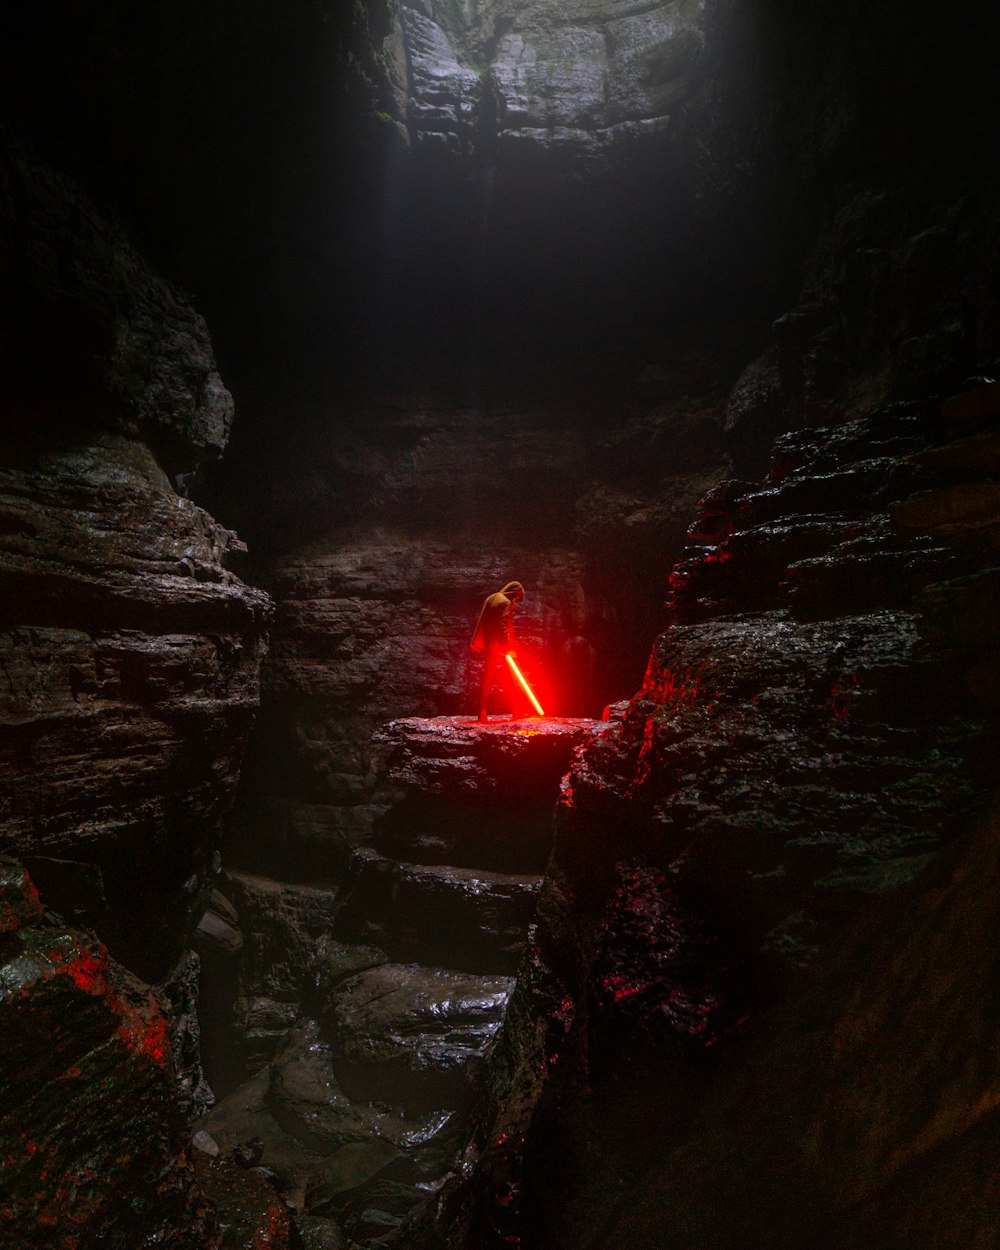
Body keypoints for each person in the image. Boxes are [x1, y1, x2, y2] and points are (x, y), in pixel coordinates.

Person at [470, 580, 524, 722]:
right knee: (509, 678)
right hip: (500, 648)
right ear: (514, 593)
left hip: (489, 645)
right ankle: (516, 710)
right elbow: (503, 625)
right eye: (517, 597)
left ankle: (482, 712)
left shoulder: (492, 597)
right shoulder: (505, 601)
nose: (517, 601)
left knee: (487, 679)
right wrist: (509, 647)